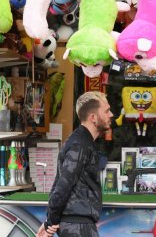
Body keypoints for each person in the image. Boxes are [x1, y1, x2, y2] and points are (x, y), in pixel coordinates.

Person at [36, 91, 113, 237]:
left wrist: (50, 221)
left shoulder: (81, 142)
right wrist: (49, 222)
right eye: (107, 111)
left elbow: (61, 182)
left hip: (77, 225)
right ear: (93, 118)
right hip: (78, 228)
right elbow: (63, 184)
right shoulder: (80, 144)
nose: (111, 115)